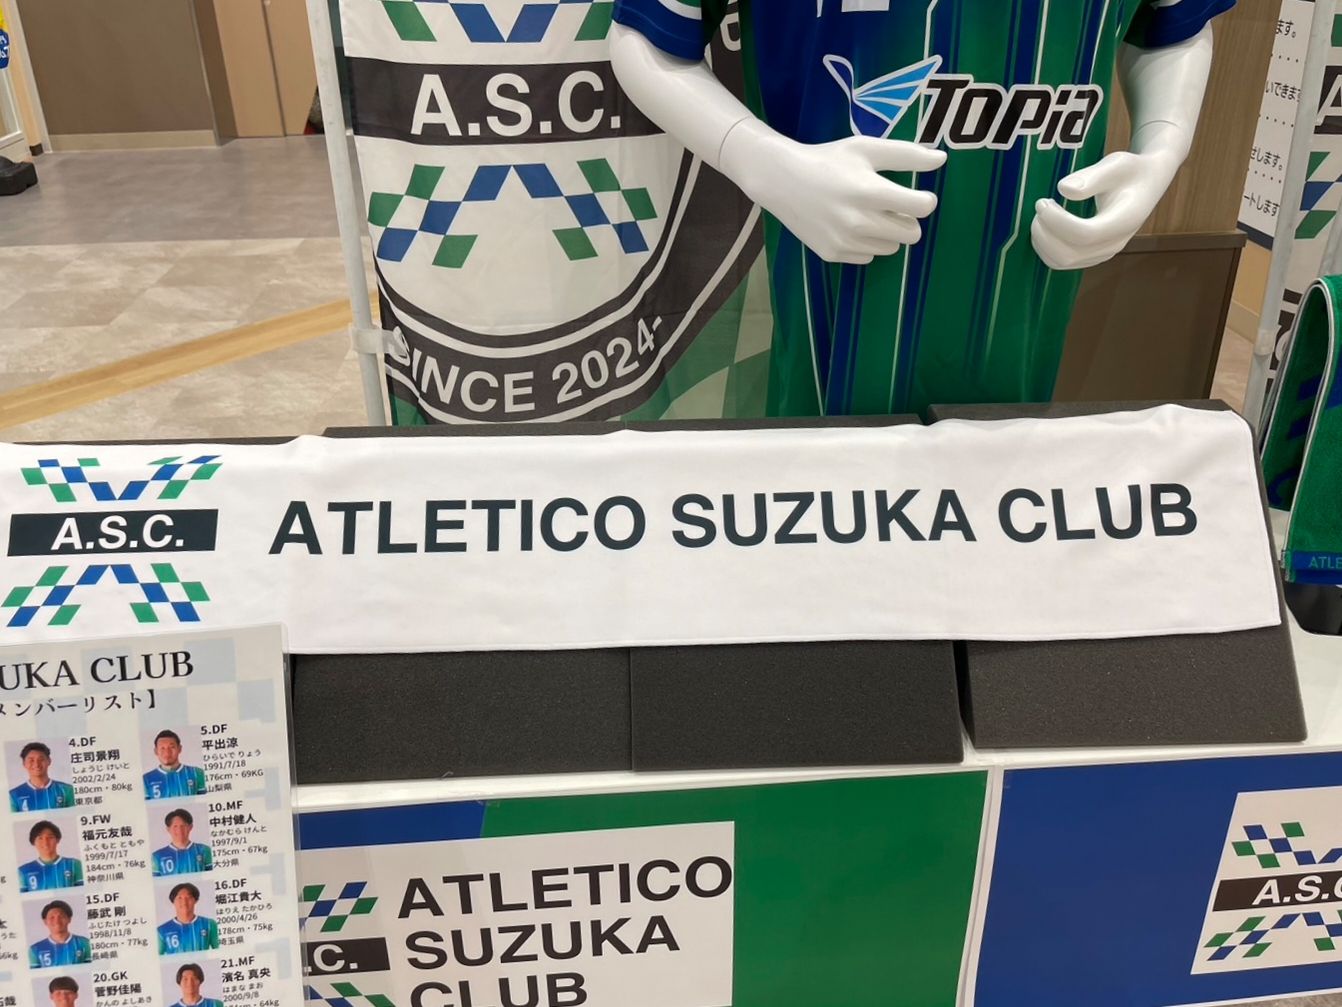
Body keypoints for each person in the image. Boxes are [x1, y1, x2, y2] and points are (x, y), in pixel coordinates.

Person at [10, 742, 76, 812]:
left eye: (41, 759)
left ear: (49, 761)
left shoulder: (67, 790)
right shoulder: (14, 795)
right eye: (31, 760)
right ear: (24, 764)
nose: (36, 764)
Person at [19, 821, 84, 891]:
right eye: (40, 838)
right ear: (33, 842)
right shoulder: (23, 871)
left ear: (57, 840)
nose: (45, 842)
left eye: (50, 837)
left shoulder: (74, 865)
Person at [157, 882, 220, 955]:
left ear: (196, 900)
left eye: (189, 897)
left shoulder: (209, 924)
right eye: (179, 898)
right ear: (173, 901)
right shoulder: (161, 931)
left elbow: (220, 951)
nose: (184, 902)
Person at [143, 730, 207, 800]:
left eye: (172, 747)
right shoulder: (145, 779)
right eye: (162, 748)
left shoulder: (197, 773)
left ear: (179, 749)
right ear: (156, 751)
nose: (167, 752)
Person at [29, 899, 93, 968]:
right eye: (52, 917)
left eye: (61, 916)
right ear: (45, 921)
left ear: (69, 919)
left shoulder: (85, 944)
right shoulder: (35, 949)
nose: (57, 921)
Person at [153, 809, 214, 877]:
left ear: (190, 827)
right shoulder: (157, 856)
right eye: (175, 826)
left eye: (183, 826)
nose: (179, 830)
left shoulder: (204, 850)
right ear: (168, 829)